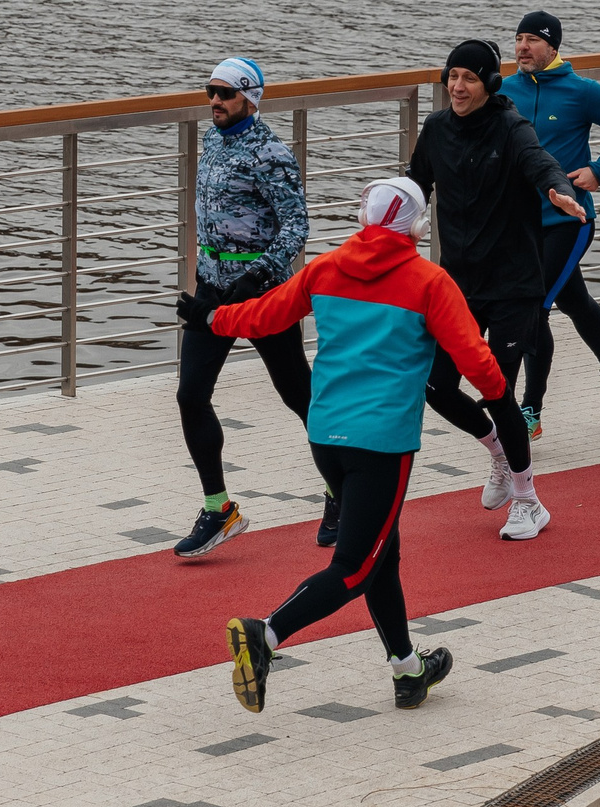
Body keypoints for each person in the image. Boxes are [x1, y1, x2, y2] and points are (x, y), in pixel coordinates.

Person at [211, 178, 500, 716]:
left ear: (363, 216)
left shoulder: (325, 268)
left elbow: (263, 316)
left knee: (382, 553)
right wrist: (499, 395)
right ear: (418, 226)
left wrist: (212, 318)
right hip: (382, 444)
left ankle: (408, 671)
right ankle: (264, 634)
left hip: (326, 435)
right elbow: (474, 358)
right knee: (355, 566)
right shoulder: (429, 282)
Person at [406, 40, 589, 542]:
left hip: (513, 285)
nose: (458, 86)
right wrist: (385, 218)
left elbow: (540, 163)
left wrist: (559, 190)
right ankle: (499, 453)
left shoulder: (512, 127)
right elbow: (416, 185)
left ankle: (529, 501)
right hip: (458, 285)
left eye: (469, 77)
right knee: (436, 386)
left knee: (497, 391)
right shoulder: (437, 129)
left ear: (489, 82)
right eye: (452, 76)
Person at [171, 56, 318, 560]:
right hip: (212, 290)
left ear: (250, 98)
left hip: (263, 293)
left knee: (300, 397)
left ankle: (342, 492)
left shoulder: (272, 154)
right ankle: (219, 509)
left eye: (225, 93)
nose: (214, 101)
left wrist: (257, 274)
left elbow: (297, 226)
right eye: (210, 91)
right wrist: (206, 275)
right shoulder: (213, 140)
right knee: (191, 395)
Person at [500, 12, 600, 439]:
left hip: (570, 220)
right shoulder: (504, 91)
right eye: (519, 38)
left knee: (534, 307)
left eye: (532, 40)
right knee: (573, 300)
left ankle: (530, 411)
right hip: (520, 224)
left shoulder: (582, 91)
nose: (523, 47)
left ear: (553, 47)